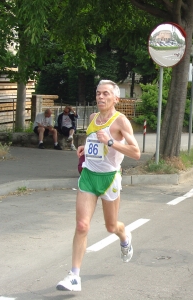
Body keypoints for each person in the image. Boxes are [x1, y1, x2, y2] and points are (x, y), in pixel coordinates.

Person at [56, 80, 141, 292]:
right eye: (98, 93)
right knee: (82, 226)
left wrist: (111, 142)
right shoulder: (94, 117)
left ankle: (124, 236)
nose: (100, 97)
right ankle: (74, 276)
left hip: (110, 178)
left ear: (115, 99)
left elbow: (136, 152)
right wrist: (86, 147)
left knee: (111, 227)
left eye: (105, 94)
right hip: (88, 176)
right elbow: (94, 138)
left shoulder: (121, 122)